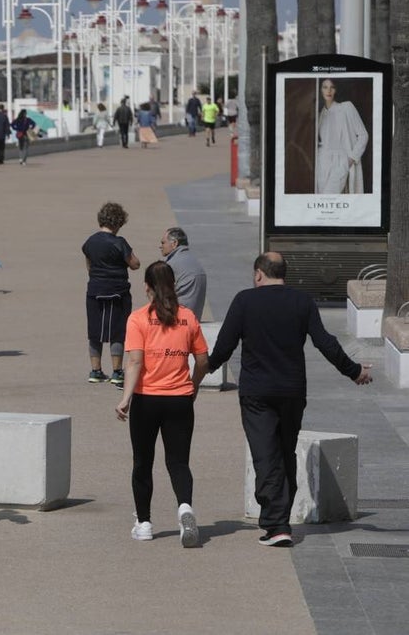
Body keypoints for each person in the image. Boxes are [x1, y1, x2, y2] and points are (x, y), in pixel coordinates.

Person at [207, 253, 373, 548]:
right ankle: (279, 518)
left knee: (265, 456)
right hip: (292, 392)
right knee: (285, 453)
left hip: (257, 393)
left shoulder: (244, 301)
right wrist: (354, 371)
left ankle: (276, 525)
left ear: (259, 274)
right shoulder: (302, 301)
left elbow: (223, 347)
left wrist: (200, 369)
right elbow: (325, 342)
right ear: (284, 273)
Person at [116, 261, 209, 546]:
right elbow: (203, 360)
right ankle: (184, 508)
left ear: (147, 287)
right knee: (179, 462)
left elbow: (134, 361)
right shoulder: (188, 318)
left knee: (142, 462)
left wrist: (125, 398)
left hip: (147, 400)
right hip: (180, 399)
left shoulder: (138, 319)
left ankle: (144, 523)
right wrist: (192, 386)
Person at [82, 202, 140, 386]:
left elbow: (89, 266)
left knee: (95, 331)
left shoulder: (90, 242)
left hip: (95, 290)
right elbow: (135, 264)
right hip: (118, 291)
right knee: (117, 331)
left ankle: (95, 370)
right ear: (118, 222)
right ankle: (117, 371)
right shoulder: (119, 242)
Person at [314, 78, 369, 194]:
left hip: (341, 161)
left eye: (332, 87)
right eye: (325, 87)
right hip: (321, 164)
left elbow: (363, 135)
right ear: (320, 90)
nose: (328, 91)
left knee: (330, 196)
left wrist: (351, 159)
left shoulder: (346, 108)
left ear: (336, 90)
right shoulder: (319, 116)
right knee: (322, 201)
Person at [159, 226, 207, 318]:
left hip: (177, 320)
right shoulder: (194, 261)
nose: (161, 246)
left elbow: (160, 295)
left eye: (163, 242)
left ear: (174, 243)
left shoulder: (170, 264)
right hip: (194, 318)